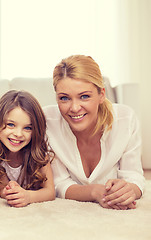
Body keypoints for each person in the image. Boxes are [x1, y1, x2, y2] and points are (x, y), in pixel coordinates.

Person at [44, 55, 145, 210]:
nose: (75, 108)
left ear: (101, 94)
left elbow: (134, 176)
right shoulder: (47, 122)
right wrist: (95, 192)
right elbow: (59, 184)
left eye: (84, 96)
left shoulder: (125, 119)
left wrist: (127, 190)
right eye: (64, 98)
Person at [0, 90, 55, 208]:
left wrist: (28, 196)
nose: (18, 134)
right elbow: (2, 190)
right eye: (11, 125)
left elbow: (50, 192)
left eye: (27, 128)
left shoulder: (39, 151)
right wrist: (10, 190)